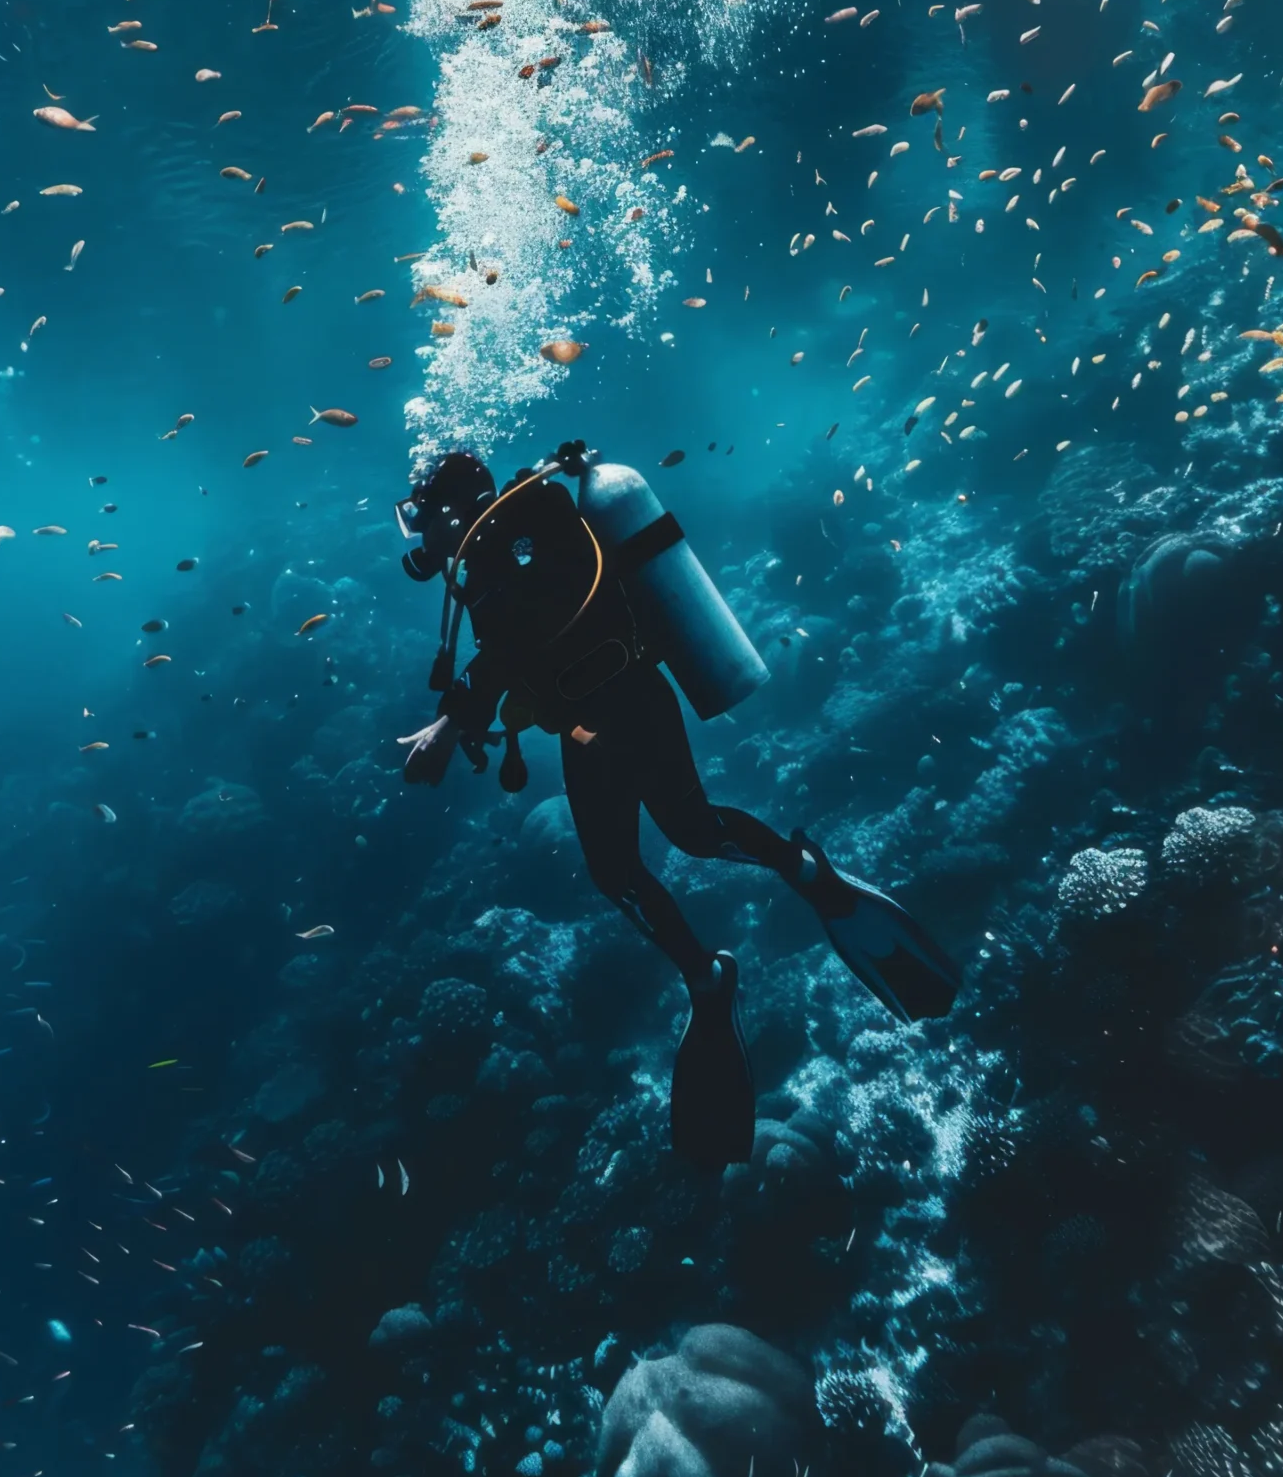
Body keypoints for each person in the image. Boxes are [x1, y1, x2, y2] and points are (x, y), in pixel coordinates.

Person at [397, 441, 960, 1171]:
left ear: (448, 509)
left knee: (688, 831)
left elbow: (520, 631)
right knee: (618, 869)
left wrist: (451, 722)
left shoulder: (526, 521)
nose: (416, 539)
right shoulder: (491, 553)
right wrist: (458, 712)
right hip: (584, 719)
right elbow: (511, 645)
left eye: (418, 519)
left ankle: (799, 875)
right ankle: (712, 968)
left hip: (626, 697)